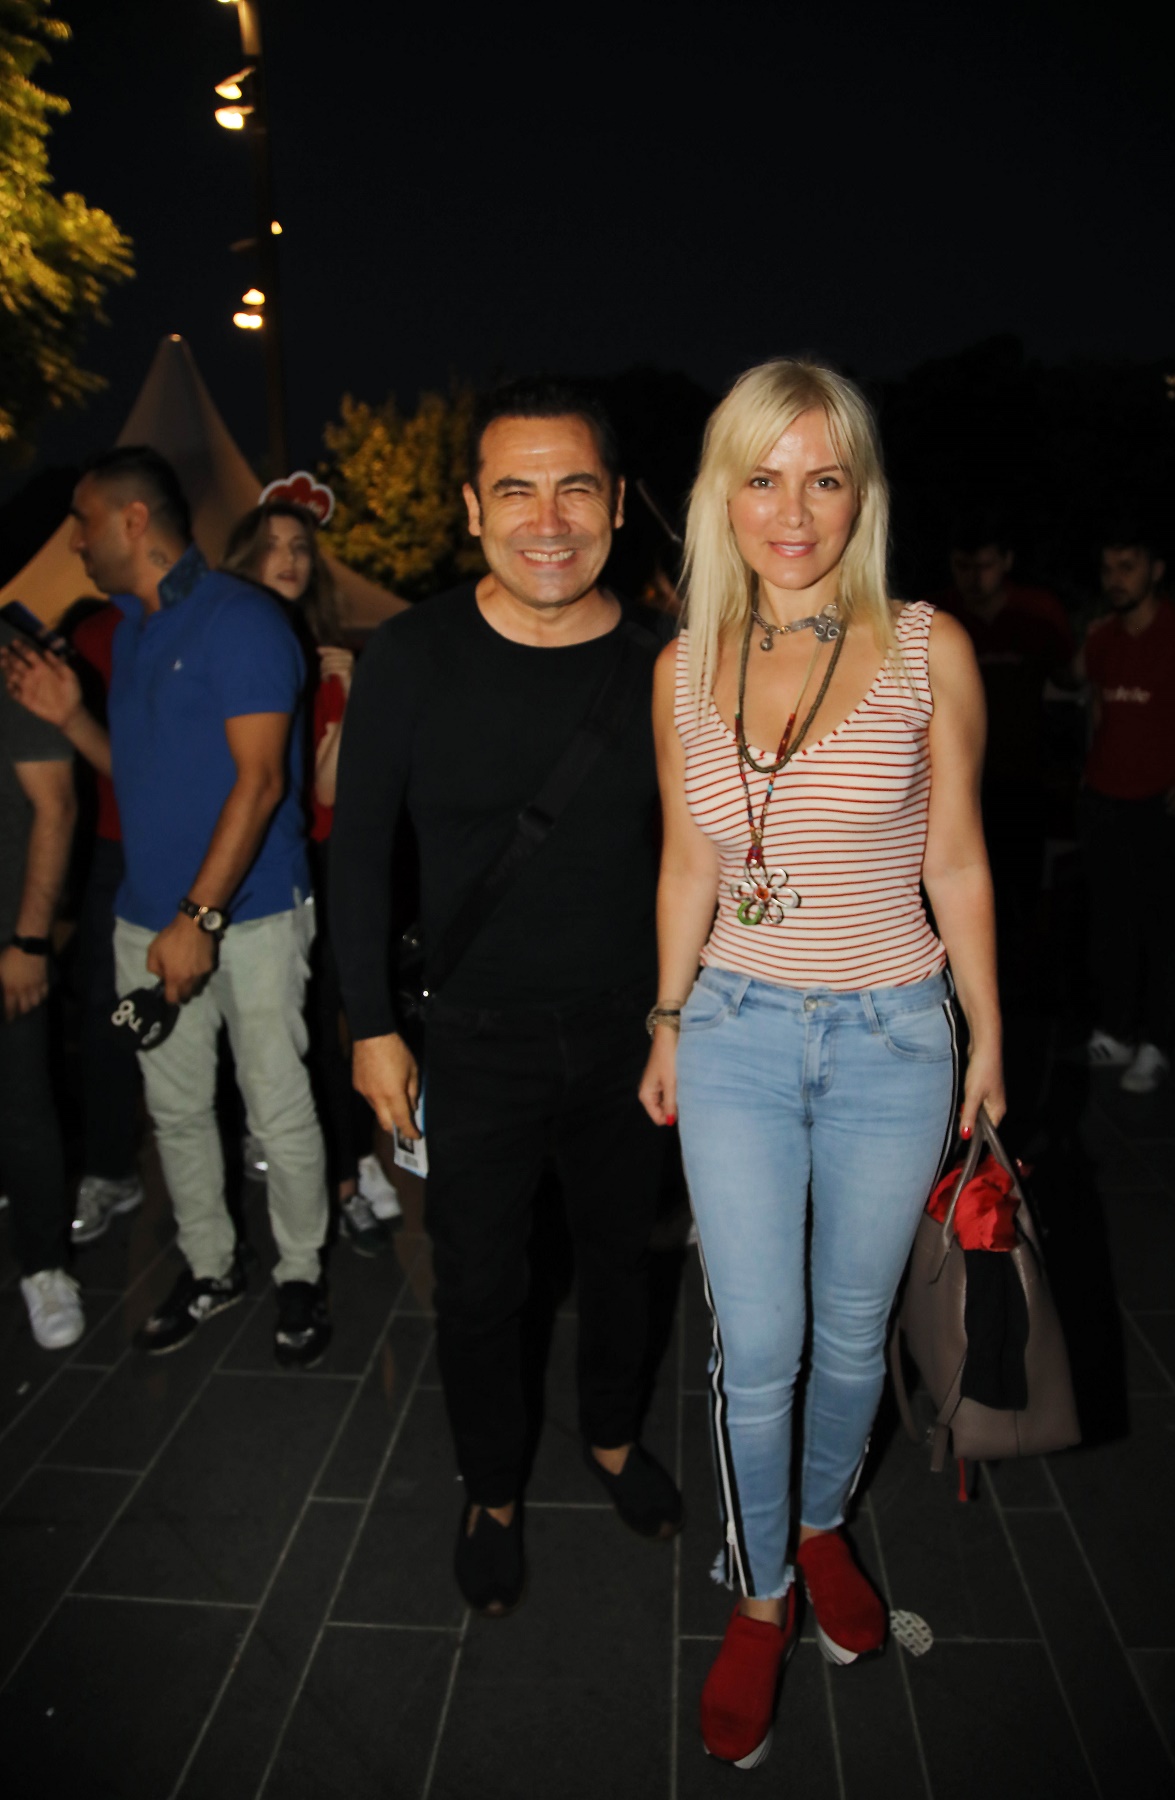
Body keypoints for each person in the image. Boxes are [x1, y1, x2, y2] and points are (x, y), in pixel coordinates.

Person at [639, 359, 1004, 1768]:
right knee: (761, 1343)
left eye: (824, 478)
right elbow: (688, 864)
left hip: (894, 1033)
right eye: (763, 477)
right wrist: (666, 1017)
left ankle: (816, 1522)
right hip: (734, 1028)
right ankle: (761, 1596)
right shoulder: (685, 665)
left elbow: (955, 857)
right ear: (721, 496)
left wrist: (986, 1034)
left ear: (863, 495)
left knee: (856, 1334)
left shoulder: (925, 647)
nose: (793, 511)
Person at [330, 377, 682, 1617]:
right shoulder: (412, 656)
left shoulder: (665, 664)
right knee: (480, 1287)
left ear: (617, 505)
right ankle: (491, 1486)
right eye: (517, 491)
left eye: (575, 488)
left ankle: (612, 1435)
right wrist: (373, 1026)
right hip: (470, 1041)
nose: (549, 519)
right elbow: (358, 852)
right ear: (475, 510)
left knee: (624, 1262)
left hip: (631, 1035)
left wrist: (684, 1018)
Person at [0, 446, 331, 1369]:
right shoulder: (135, 631)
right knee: (177, 1113)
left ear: (133, 520)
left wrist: (200, 919)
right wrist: (71, 718)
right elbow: (137, 776)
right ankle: (213, 1266)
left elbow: (261, 784)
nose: (75, 540)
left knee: (276, 1105)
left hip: (249, 917)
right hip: (148, 920)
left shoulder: (242, 620)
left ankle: (301, 1273)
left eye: (83, 521)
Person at [223, 499, 399, 1251]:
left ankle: (348, 1173)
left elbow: (329, 791)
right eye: (273, 546)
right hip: (241, 864)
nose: (290, 559)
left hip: (316, 865)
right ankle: (305, 1161)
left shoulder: (325, 657)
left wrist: (349, 695)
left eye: (301, 546)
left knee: (335, 1023)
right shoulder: (228, 647)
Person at [929, 516, 1074, 993]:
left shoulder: (1038, 613)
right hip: (949, 785)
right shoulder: (938, 619)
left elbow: (1072, 682)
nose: (975, 577)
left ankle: (1022, 993)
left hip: (1021, 776)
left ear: (1007, 562)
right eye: (963, 566)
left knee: (1020, 891)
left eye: (985, 565)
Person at [1080, 526, 1175, 1094]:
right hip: (1106, 798)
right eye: (1109, 568)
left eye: (1128, 567)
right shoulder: (1103, 637)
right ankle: (1117, 1030)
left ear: (1155, 570)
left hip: (1164, 803)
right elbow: (1095, 704)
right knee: (1111, 922)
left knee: (1163, 927)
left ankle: (1156, 1043)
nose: (1116, 579)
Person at [0, 620, 81, 1349]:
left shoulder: (11, 658)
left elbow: (56, 805)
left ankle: (45, 1266)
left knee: (21, 1105)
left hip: (6, 939)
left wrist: (29, 940)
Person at [64, 599, 145, 1246]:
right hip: (112, 846)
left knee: (222, 1006)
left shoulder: (217, 620)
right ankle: (112, 1167)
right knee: (104, 1011)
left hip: (203, 843)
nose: (78, 550)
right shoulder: (92, 636)